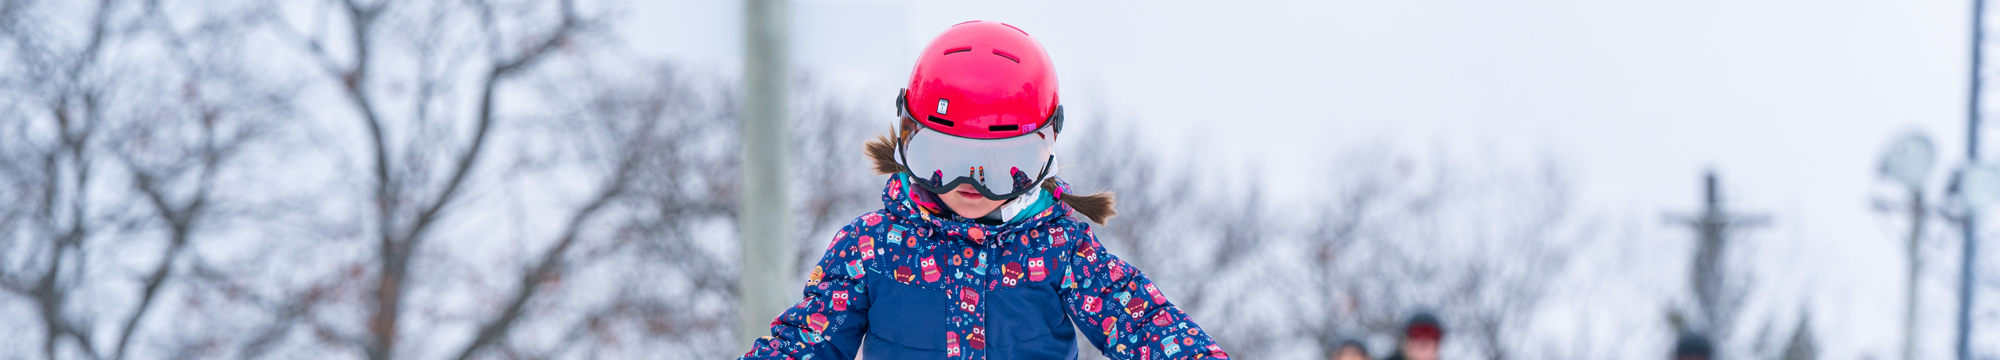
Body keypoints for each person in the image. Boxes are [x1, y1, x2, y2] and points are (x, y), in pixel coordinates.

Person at [737, 20, 1227, 360]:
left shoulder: (1060, 249)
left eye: (1000, 166)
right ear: (910, 139)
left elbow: (1141, 322)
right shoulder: (871, 248)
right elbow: (807, 341)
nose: (969, 185)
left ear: (1043, 149)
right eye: (944, 160)